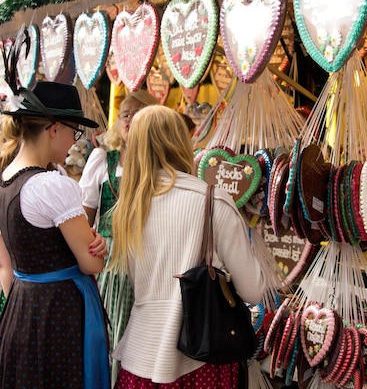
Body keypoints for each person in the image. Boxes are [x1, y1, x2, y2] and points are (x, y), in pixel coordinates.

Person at [109, 105, 265, 388]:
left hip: (139, 357)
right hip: (201, 360)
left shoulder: (128, 209)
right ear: (182, 142)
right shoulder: (212, 202)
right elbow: (253, 290)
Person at [0, 81, 111, 389]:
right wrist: (98, 250)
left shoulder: (2, 184)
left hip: (20, 308)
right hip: (61, 311)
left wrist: (27, 303)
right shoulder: (52, 185)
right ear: (54, 128)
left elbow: (4, 267)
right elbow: (91, 265)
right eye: (73, 131)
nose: (74, 142)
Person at [78, 89, 158, 383]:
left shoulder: (159, 164)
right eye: (125, 114)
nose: (130, 120)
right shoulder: (102, 160)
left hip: (149, 254)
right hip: (110, 257)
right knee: (110, 325)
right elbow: (84, 218)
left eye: (138, 114)